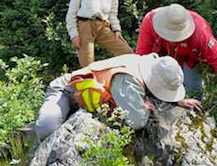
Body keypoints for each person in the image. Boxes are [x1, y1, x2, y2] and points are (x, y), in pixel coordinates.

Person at [35, 53, 200, 140]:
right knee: (46, 129)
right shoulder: (129, 78)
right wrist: (144, 108)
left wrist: (175, 101)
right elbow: (137, 121)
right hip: (66, 92)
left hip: (87, 98)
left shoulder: (144, 64)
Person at [134, 4, 217, 102]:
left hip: (188, 58)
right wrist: (140, 86)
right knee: (155, 84)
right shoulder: (150, 20)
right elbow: (142, 55)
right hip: (161, 55)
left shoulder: (201, 33)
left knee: (193, 91)